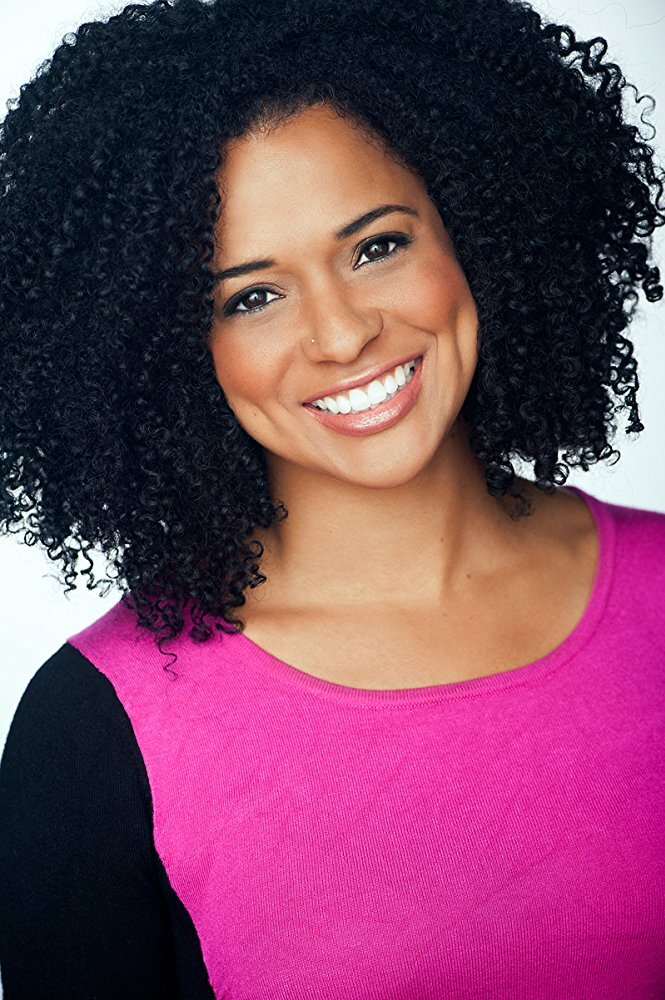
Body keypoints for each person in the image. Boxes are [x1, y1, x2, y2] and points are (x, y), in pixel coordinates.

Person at [0, 0, 664, 996]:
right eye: (252, 297)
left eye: (376, 246)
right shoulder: (95, 730)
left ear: (475, 229)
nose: (344, 334)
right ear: (164, 350)